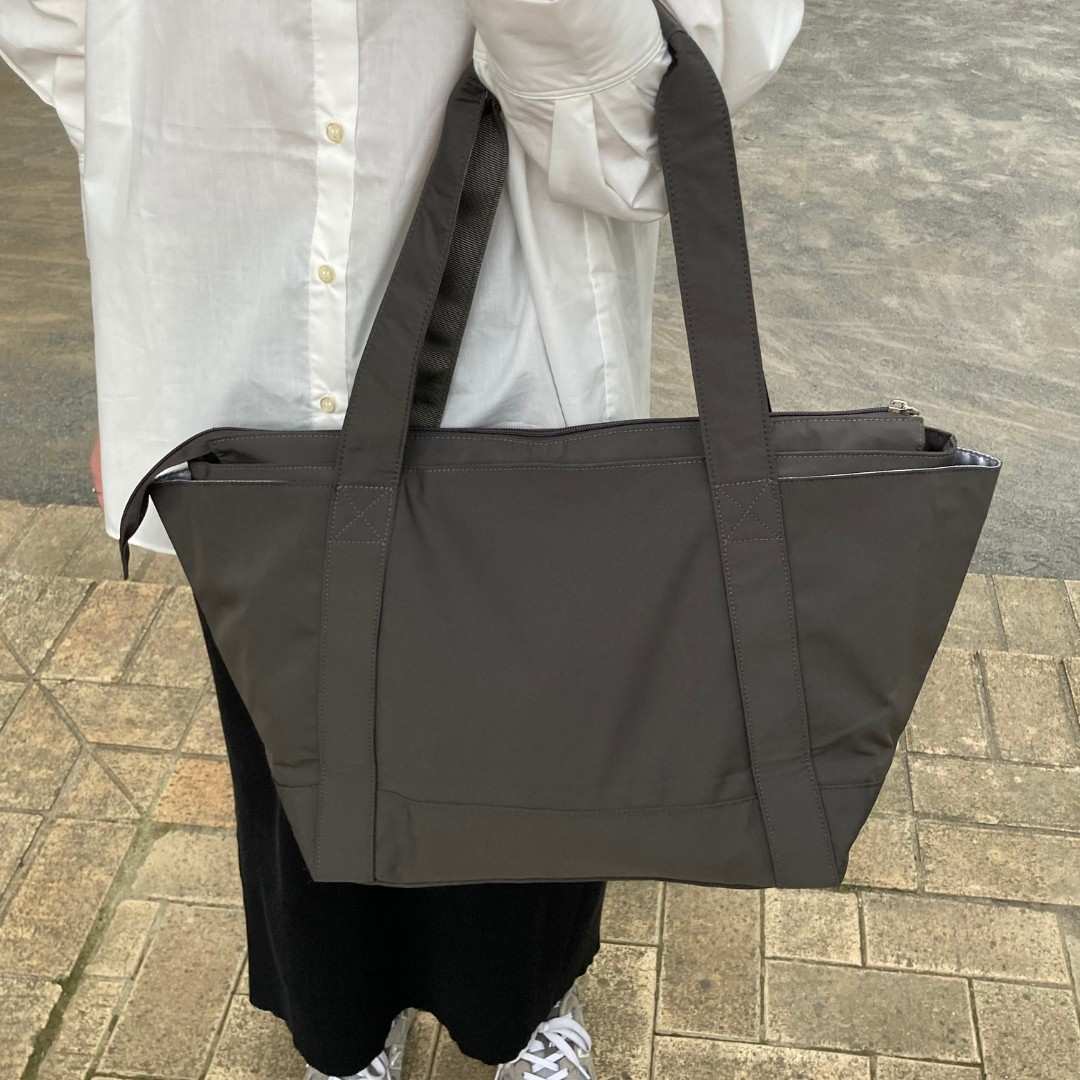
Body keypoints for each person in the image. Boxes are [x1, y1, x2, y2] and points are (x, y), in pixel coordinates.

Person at [0, 1, 802, 1076]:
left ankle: (521, 1010)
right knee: (299, 752)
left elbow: (643, 121)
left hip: (517, 368)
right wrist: (159, 261)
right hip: (245, 359)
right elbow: (72, 37)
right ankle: (340, 1030)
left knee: (531, 756)